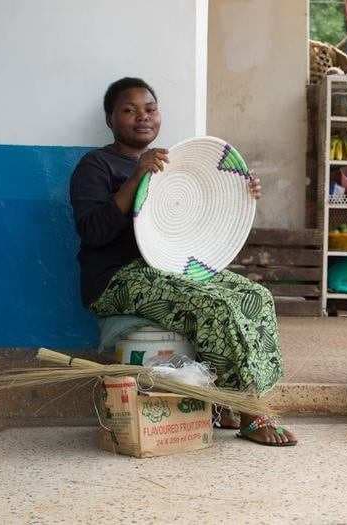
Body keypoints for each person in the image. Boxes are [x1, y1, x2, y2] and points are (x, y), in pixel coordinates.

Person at [69, 77, 296, 446]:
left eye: (150, 108)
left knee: (255, 296)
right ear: (110, 120)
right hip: (116, 279)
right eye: (128, 110)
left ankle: (225, 399)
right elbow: (93, 232)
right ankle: (249, 411)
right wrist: (138, 175)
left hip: (168, 267)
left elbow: (197, 219)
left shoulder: (175, 164)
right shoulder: (95, 166)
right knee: (215, 305)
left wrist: (240, 192)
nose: (142, 117)